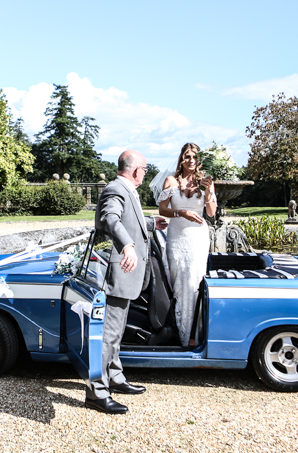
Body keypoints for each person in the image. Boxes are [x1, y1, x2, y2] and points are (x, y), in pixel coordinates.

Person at [86, 149, 168, 414]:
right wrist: (129, 246)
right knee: (108, 334)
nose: (145, 173)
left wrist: (151, 223)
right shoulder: (115, 189)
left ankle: (115, 377)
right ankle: (96, 393)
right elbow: (111, 219)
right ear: (135, 170)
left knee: (117, 332)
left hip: (126, 275)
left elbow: (129, 219)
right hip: (117, 272)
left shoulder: (125, 189)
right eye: (144, 169)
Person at [156, 143, 217, 347]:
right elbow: (163, 210)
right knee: (178, 281)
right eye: (187, 156)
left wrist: (208, 191)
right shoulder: (171, 181)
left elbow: (211, 213)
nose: (191, 160)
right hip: (177, 235)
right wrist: (180, 213)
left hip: (198, 237)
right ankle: (177, 332)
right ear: (181, 158)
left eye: (194, 157)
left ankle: (196, 335)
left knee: (195, 281)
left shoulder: (205, 181)